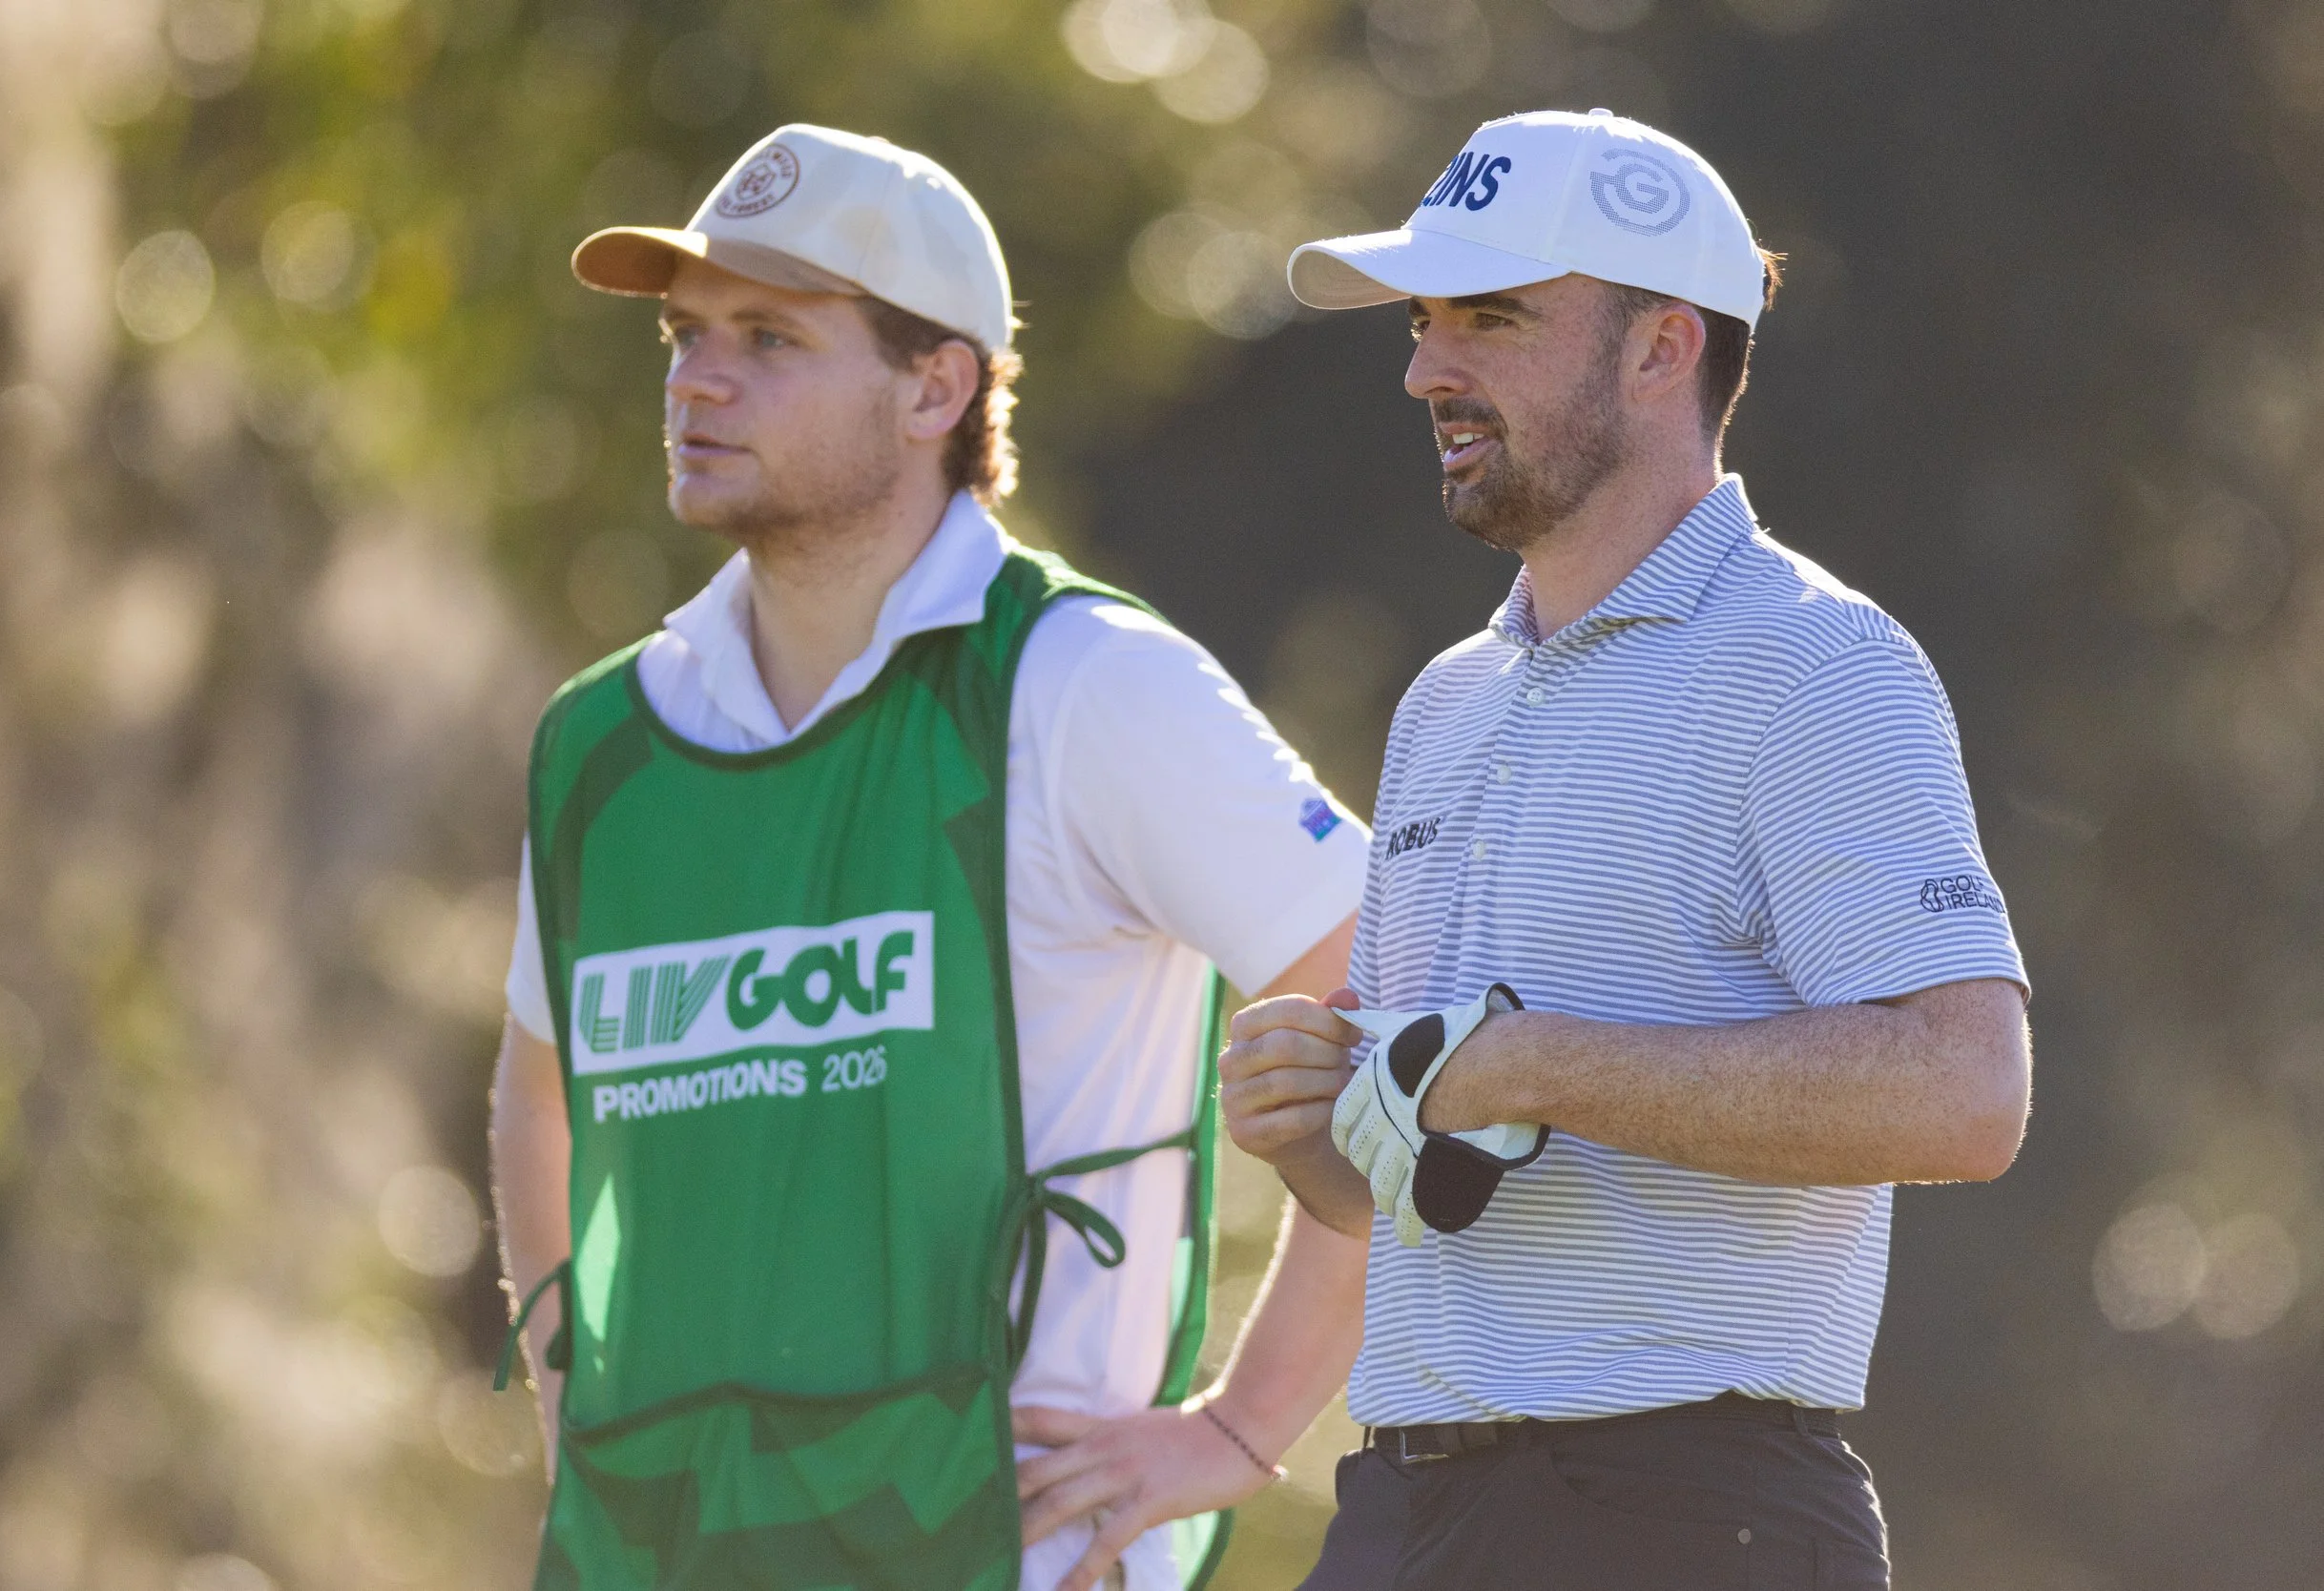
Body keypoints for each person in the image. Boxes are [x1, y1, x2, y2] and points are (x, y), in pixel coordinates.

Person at [487, 124, 1372, 1591]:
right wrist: (565, 1376)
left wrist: (1243, 1425)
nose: (699, 380)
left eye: (769, 338)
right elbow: (537, 1084)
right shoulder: (602, 740)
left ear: (936, 386)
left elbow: (1395, 987)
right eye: (686, 335)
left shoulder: (1085, 684)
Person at [1218, 109, 2033, 1589]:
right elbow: (1435, 1173)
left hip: (1686, 1509)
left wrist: (1538, 1065)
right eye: (1421, 322)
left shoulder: (1818, 663)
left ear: (1663, 350)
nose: (1425, 370)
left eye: (1493, 318)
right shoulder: (1447, 702)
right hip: (1407, 1509)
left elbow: (1968, 1093)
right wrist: (1318, 1132)